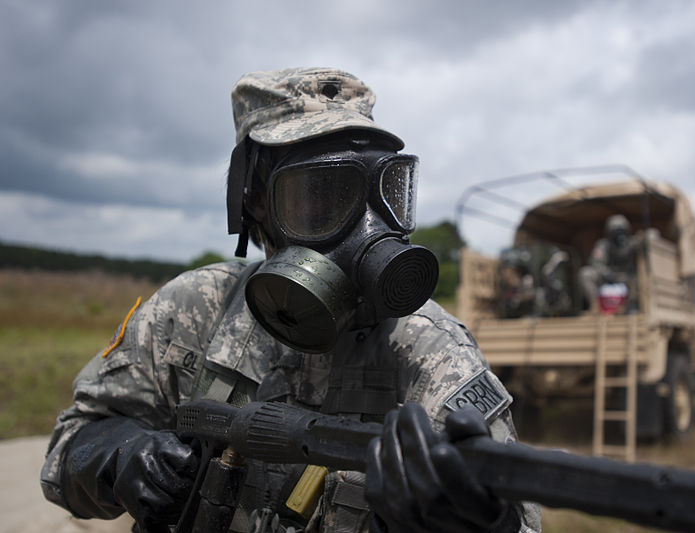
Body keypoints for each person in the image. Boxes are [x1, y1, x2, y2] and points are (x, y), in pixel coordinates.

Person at [40, 68, 542, 533]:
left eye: (381, 191)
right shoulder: (194, 309)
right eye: (322, 196)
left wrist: (479, 522)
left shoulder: (430, 353)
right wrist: (118, 455)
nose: (365, 226)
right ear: (257, 198)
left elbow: (519, 520)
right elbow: (67, 450)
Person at [579, 214, 641, 313]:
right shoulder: (603, 245)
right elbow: (596, 262)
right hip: (607, 277)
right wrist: (606, 273)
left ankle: (627, 307)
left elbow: (645, 239)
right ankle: (596, 305)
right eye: (615, 232)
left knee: (639, 278)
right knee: (585, 273)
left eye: (621, 231)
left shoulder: (631, 243)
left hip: (625, 277)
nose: (619, 235)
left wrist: (648, 235)